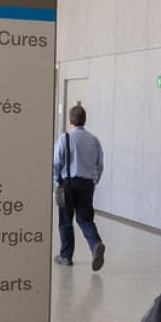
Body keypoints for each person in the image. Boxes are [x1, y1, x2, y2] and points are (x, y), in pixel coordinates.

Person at [52, 105, 106, 270]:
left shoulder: (65, 138)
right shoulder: (94, 140)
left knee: (66, 220)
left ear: (70, 121)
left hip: (68, 184)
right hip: (87, 184)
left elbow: (56, 161)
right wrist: (94, 181)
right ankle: (95, 243)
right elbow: (100, 164)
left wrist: (56, 179)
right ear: (85, 119)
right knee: (85, 218)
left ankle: (66, 256)